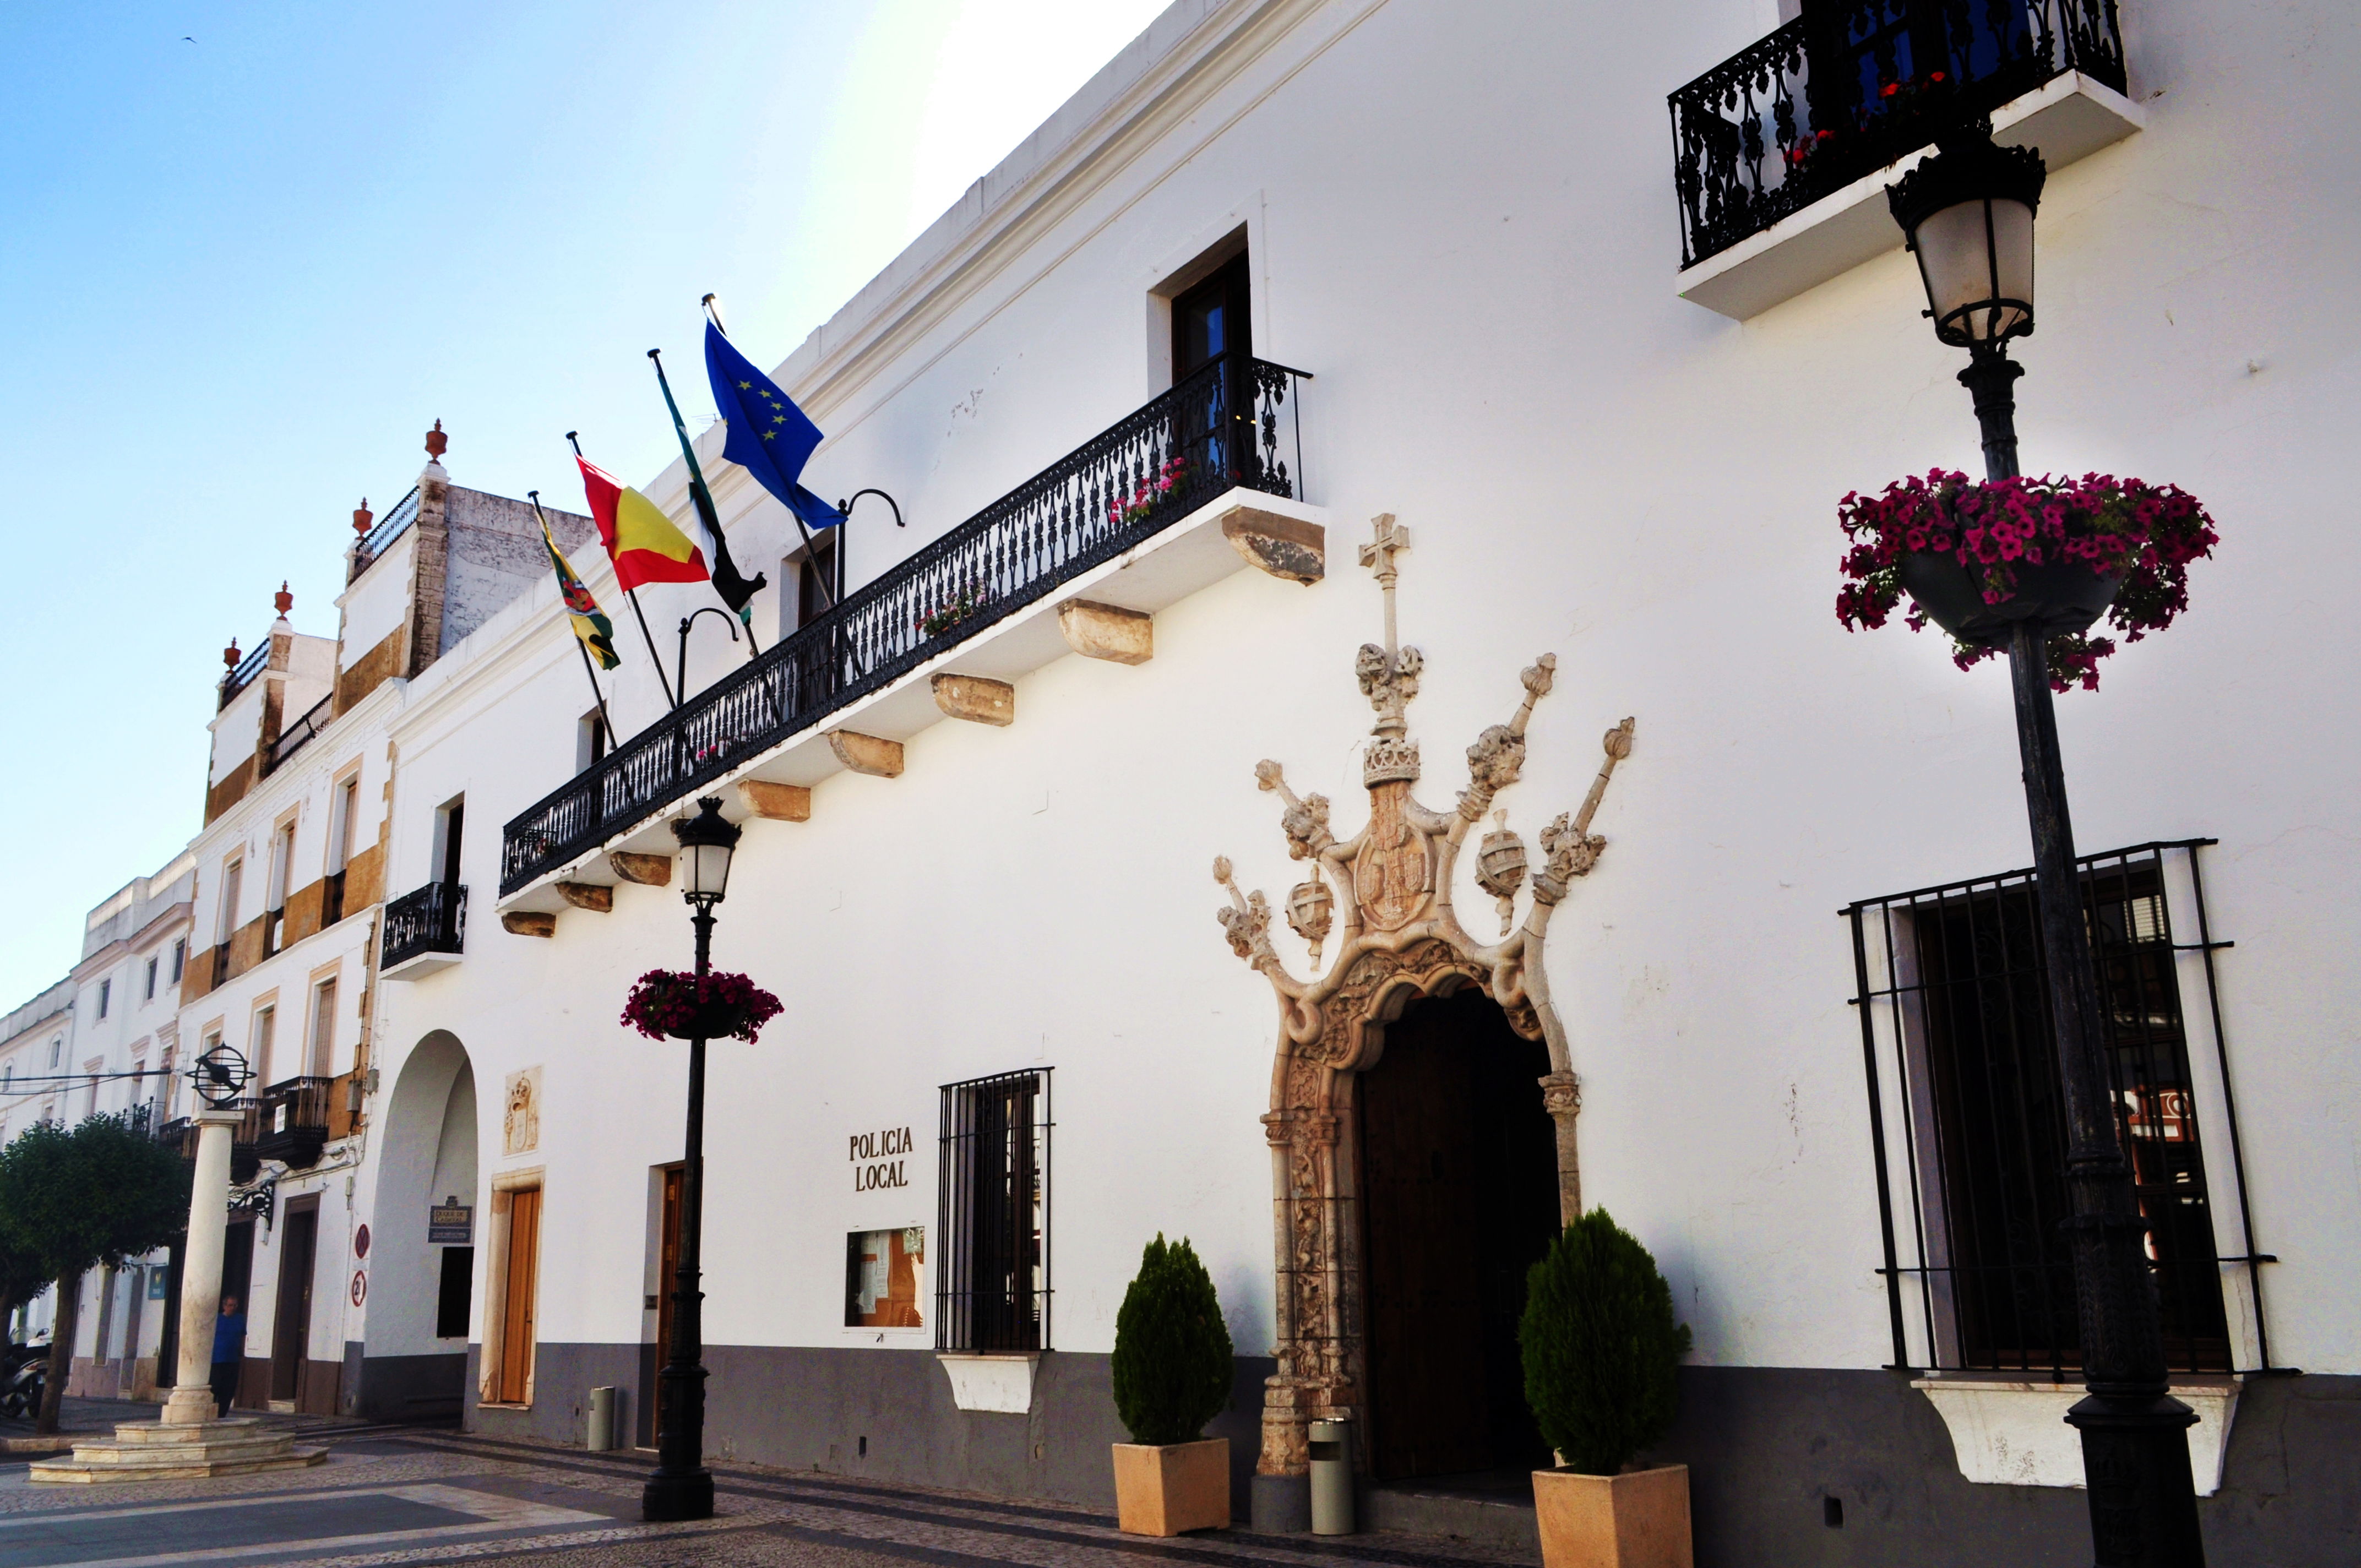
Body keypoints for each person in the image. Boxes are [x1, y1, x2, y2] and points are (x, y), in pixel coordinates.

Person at [208, 1295, 246, 1418]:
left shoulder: (240, 1319)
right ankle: (211, 1413)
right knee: (215, 1387)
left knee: (229, 1389)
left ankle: (221, 1415)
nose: (233, 1308)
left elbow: (243, 1336)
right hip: (217, 1359)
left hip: (232, 1359)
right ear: (224, 1306)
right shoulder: (217, 1319)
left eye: (235, 1305)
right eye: (230, 1305)